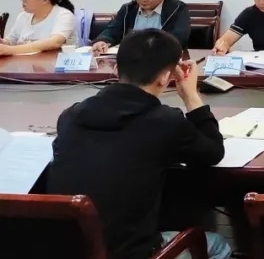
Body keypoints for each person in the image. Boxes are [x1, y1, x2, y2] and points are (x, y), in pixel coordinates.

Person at [48, 29, 229, 259]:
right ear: (165, 77)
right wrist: (191, 96)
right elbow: (213, 152)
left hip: (66, 250)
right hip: (133, 253)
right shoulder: (164, 121)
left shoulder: (71, 116)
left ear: (116, 69)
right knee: (218, 244)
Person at [92, 0, 191, 53]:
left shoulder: (178, 9)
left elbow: (179, 39)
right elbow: (112, 31)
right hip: (130, 61)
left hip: (162, 60)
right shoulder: (128, 9)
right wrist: (102, 41)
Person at [0, 0, 76, 56]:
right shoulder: (23, 16)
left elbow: (55, 42)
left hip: (53, 63)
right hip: (25, 62)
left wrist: (9, 50)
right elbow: (11, 42)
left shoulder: (63, 15)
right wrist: (3, 43)